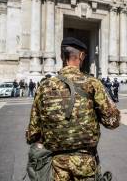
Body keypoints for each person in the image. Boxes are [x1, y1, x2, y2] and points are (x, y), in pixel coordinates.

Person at [26, 37, 120, 181]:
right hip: (86, 163)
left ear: (61, 56)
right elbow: (112, 122)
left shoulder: (44, 86)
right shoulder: (92, 84)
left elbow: (32, 133)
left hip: (56, 164)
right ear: (81, 56)